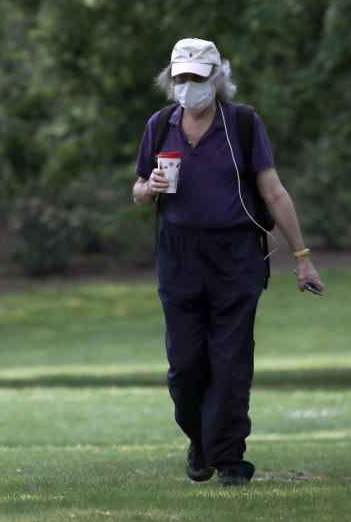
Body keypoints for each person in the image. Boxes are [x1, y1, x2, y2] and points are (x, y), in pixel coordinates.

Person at [132, 38, 324, 486]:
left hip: (237, 254)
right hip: (179, 254)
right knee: (185, 366)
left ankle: (231, 462)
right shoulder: (160, 125)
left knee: (231, 361)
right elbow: (138, 191)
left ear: (216, 79)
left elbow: (273, 192)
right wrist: (150, 188)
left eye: (197, 77)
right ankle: (199, 440)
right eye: (181, 77)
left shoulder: (242, 124)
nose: (188, 86)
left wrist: (302, 257)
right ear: (171, 78)